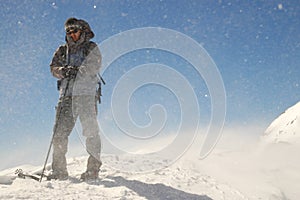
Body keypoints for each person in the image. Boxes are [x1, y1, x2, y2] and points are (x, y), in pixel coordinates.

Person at [48, 17, 102, 181]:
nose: (72, 34)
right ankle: (59, 171)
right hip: (66, 97)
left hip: (86, 95)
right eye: (69, 32)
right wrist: (63, 71)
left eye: (75, 31)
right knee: (59, 134)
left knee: (91, 132)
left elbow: (95, 64)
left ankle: (92, 170)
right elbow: (53, 68)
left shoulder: (91, 47)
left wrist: (79, 70)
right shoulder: (62, 51)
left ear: (82, 30)